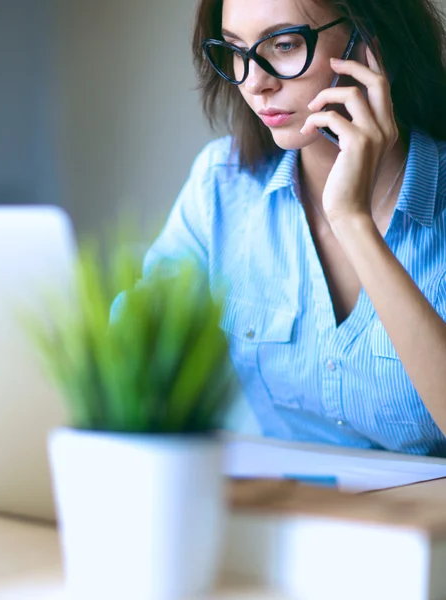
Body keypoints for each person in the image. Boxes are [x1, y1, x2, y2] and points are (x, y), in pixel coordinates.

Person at [143, 0, 446, 456]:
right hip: (283, 516)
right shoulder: (222, 187)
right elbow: (132, 364)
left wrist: (353, 221)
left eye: (283, 45)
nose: (255, 81)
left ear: (368, 45)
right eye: (236, 51)